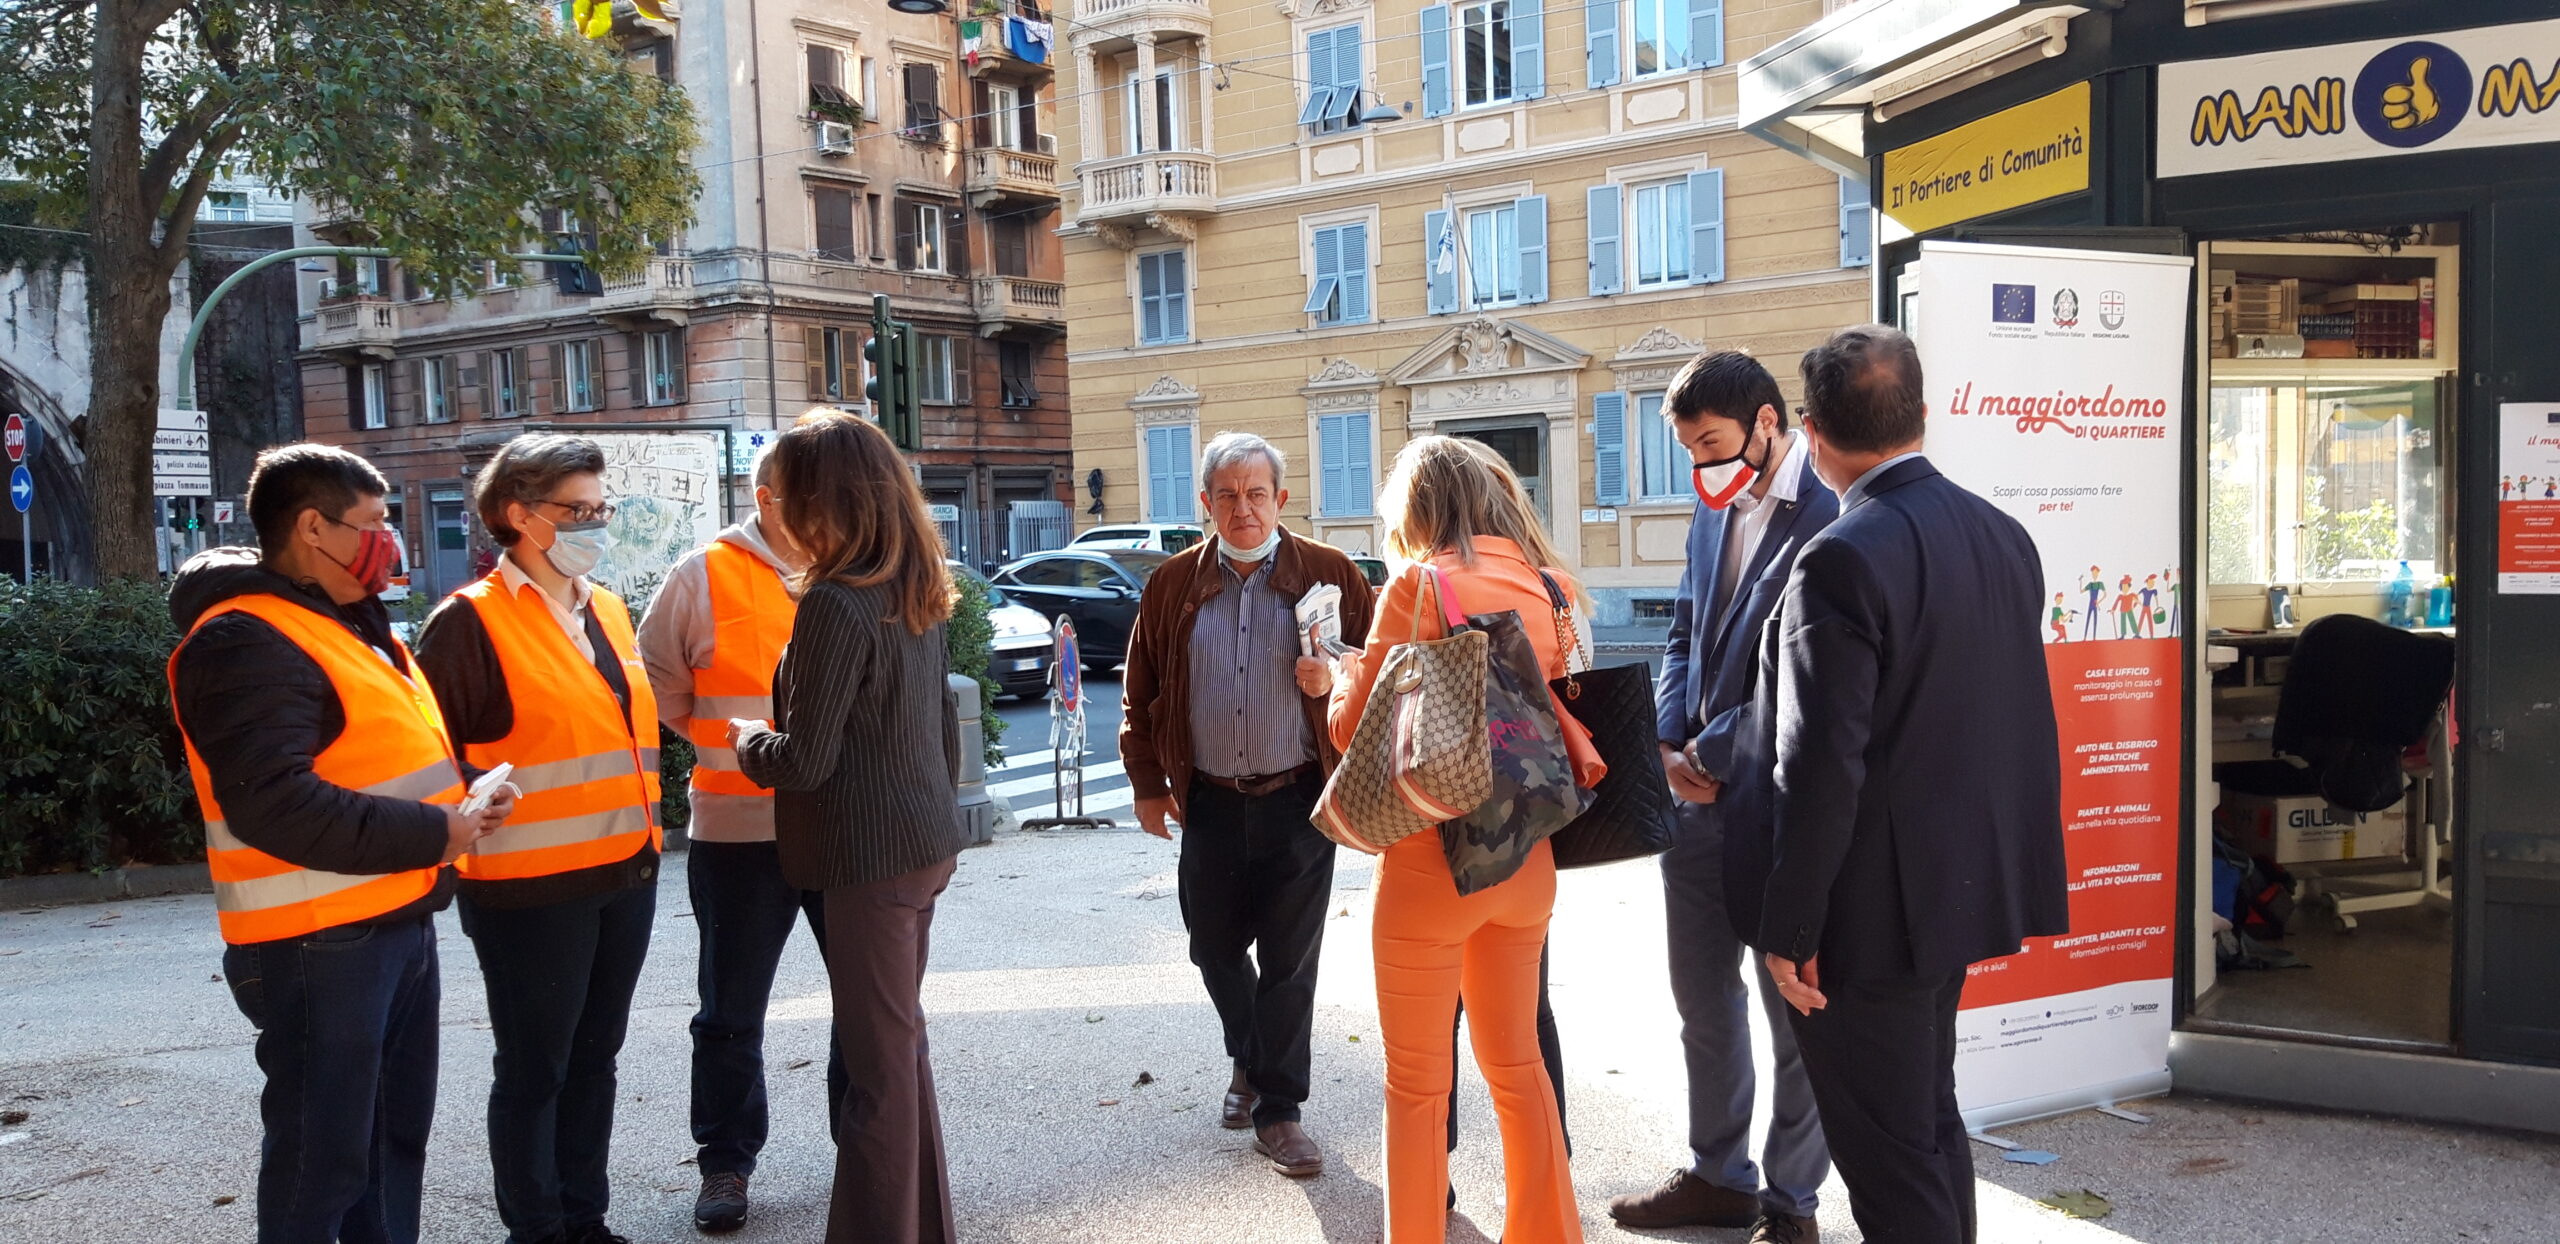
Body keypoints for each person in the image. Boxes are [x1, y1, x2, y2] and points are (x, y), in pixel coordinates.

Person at [1727, 325, 2069, 1244]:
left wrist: (1792, 926)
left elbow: (1819, 761)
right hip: (1951, 890)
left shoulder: (1841, 555)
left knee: (1891, 1158)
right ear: (1924, 414)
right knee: (1925, 1125)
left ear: (1810, 432)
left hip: (1867, 915)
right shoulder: (2003, 535)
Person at [168, 443, 513, 1244]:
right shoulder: (245, 639)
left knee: (389, 1149)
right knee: (320, 1166)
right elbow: (274, 803)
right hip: (317, 944)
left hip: (391, 920)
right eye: (373, 522)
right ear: (312, 527)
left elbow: (374, 753)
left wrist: (465, 788)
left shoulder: (344, 622)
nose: (387, 540)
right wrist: (439, 830)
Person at [1323, 434, 1599, 1244]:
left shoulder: (1419, 585)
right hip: (1526, 857)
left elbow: (1354, 732)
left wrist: (1341, 674)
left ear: (1417, 511)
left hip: (1430, 868)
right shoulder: (1550, 586)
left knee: (1417, 1087)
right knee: (1519, 1065)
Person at [727, 413, 971, 1244]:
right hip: (920, 846)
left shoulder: (836, 600)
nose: (779, 511)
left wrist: (745, 741)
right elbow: (939, 728)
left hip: (869, 859)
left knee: (879, 1077)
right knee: (899, 1056)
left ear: (820, 501)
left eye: (789, 494)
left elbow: (804, 761)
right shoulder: (913, 584)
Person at [417, 434, 664, 1244]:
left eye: (601, 507)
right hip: (527, 891)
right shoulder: (468, 622)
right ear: (519, 515)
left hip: (624, 874)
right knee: (536, 1070)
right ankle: (538, 1230)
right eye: (577, 510)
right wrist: (466, 794)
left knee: (595, 1060)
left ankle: (584, 1222)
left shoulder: (608, 610)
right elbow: (427, 753)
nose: (597, 524)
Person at [1612, 351, 1835, 1244]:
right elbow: (1682, 631)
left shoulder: (1833, 515)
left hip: (1781, 808)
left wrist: (1709, 749)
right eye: (1689, 449)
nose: (1700, 465)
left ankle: (1792, 1201)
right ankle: (1718, 1176)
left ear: (1767, 422)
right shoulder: (1714, 509)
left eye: (1710, 443)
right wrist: (1668, 739)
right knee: (1702, 1004)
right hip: (1693, 807)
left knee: (1794, 1015)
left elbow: (1815, 680)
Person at [1118, 430, 1376, 1178]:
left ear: (1281, 499)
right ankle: (1252, 1055)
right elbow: (1141, 692)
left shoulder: (1329, 574)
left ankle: (1279, 1111)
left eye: (1256, 494)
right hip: (1210, 800)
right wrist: (1147, 784)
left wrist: (1336, 680)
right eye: (1227, 496)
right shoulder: (1172, 585)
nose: (1243, 510)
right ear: (1206, 502)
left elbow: (1382, 671)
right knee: (1212, 946)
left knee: (1290, 961)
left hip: (1298, 797)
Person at [636, 445, 842, 1234]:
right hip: (736, 827)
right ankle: (724, 1163)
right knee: (729, 1009)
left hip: (839, 824)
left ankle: (862, 1148)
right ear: (766, 499)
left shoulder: (851, 569)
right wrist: (726, 741)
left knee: (864, 1002)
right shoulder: (703, 575)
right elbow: (659, 680)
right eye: (809, 496)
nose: (826, 508)